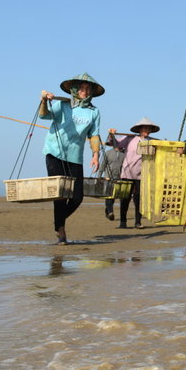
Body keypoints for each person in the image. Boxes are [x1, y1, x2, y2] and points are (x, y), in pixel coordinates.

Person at [40, 72, 104, 245]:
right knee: (60, 195)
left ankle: (57, 222)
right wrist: (44, 100)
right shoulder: (63, 105)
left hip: (75, 156)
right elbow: (43, 115)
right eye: (82, 88)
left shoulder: (94, 112)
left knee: (77, 197)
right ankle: (61, 232)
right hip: (55, 153)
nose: (85, 91)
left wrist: (96, 156)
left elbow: (94, 135)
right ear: (75, 89)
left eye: (88, 89)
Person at [106, 117, 160, 229]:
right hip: (127, 174)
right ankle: (123, 222)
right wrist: (112, 134)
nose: (146, 129)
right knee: (124, 198)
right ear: (139, 129)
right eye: (144, 127)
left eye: (148, 128)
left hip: (143, 175)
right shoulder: (130, 139)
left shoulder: (153, 142)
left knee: (139, 199)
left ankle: (138, 222)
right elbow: (114, 143)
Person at [99, 142, 125, 222]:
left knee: (113, 197)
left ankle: (107, 211)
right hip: (108, 177)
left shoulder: (124, 154)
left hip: (118, 178)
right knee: (109, 196)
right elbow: (103, 164)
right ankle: (110, 212)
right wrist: (99, 176)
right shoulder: (108, 153)